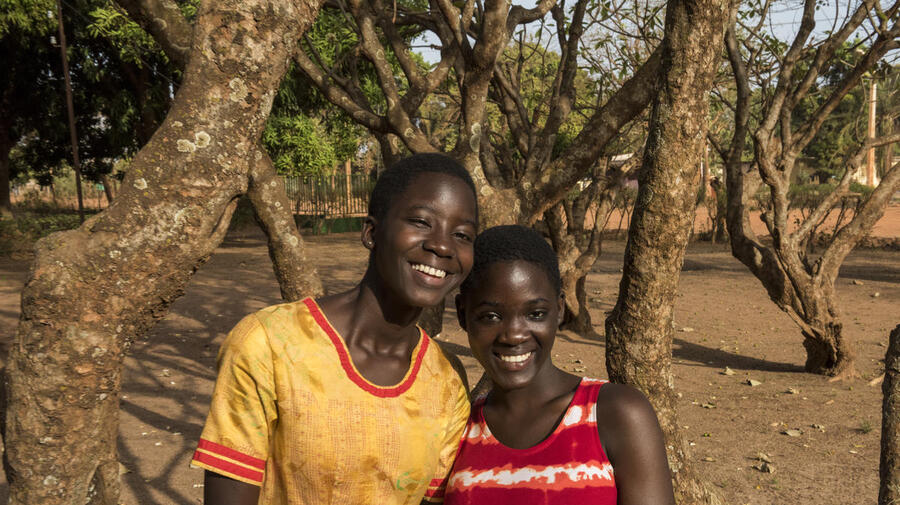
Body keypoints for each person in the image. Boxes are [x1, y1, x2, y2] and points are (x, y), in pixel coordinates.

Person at [191, 153, 479, 505]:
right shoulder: (268, 343)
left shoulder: (446, 380)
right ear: (372, 233)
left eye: (462, 235)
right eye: (421, 222)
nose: (443, 245)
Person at [445, 225, 675, 505]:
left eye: (535, 314)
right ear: (462, 314)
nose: (513, 335)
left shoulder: (616, 413)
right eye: (491, 316)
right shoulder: (456, 430)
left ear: (560, 310)